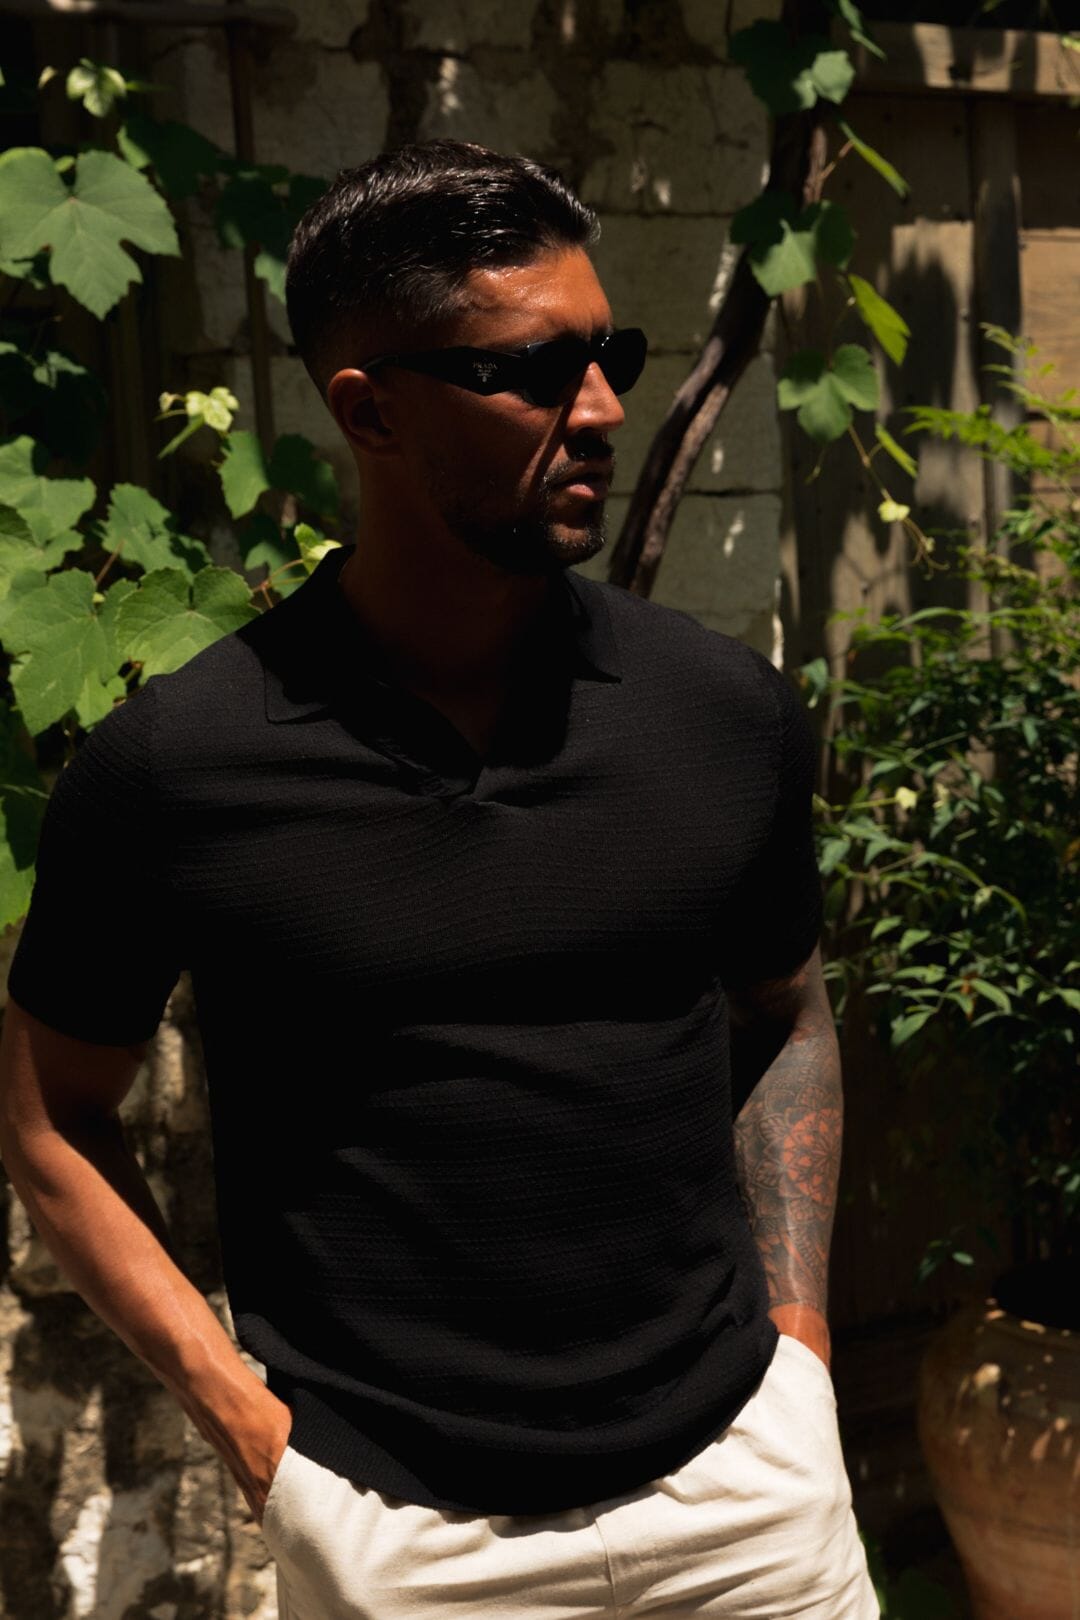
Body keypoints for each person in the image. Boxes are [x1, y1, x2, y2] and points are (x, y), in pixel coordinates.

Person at [0, 140, 878, 1618]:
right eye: (530, 371)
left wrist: (801, 1344)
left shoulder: (722, 712)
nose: (601, 410)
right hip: (409, 1541)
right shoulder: (176, 768)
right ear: (370, 410)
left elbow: (786, 1014)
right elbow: (48, 1120)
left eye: (608, 357)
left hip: (750, 1502)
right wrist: (251, 1430)